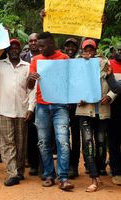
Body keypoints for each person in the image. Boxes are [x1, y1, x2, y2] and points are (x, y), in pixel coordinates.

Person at [0, 39, 35, 186]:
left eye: (17, 47)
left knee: (21, 143)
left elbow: (32, 90)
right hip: (3, 110)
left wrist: (31, 108)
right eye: (12, 48)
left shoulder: (27, 67)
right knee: (6, 143)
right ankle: (12, 173)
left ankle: (19, 170)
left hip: (22, 110)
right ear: (8, 50)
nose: (15, 50)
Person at [28, 32, 74, 191]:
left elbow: (72, 80)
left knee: (63, 141)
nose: (39, 48)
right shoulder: (35, 60)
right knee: (43, 142)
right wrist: (31, 78)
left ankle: (63, 178)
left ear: (52, 44)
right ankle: (48, 174)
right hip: (41, 106)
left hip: (60, 105)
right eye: (38, 46)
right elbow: (29, 86)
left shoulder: (64, 59)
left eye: (42, 46)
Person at [76, 39, 112, 192]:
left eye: (91, 49)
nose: (88, 52)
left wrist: (110, 96)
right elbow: (72, 85)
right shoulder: (77, 65)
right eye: (86, 49)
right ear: (82, 51)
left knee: (102, 144)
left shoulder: (105, 63)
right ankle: (94, 178)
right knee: (88, 145)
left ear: (96, 50)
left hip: (102, 111)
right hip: (85, 112)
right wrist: (78, 97)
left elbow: (114, 84)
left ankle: (98, 172)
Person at [21, 33, 41, 176]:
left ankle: (43, 164)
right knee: (32, 133)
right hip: (29, 100)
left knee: (45, 135)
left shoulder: (45, 56)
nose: (33, 43)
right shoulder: (23, 58)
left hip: (45, 99)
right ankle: (33, 164)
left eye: (35, 40)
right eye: (31, 41)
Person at [62, 38, 81, 179]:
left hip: (77, 104)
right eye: (68, 46)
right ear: (64, 48)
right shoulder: (60, 61)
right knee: (63, 135)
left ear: (76, 49)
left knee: (75, 135)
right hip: (62, 103)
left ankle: (74, 166)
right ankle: (66, 164)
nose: (70, 48)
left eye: (73, 46)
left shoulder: (81, 61)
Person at [104, 44, 121, 186]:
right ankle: (116, 172)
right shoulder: (109, 64)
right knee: (114, 142)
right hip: (114, 111)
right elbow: (116, 88)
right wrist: (109, 75)